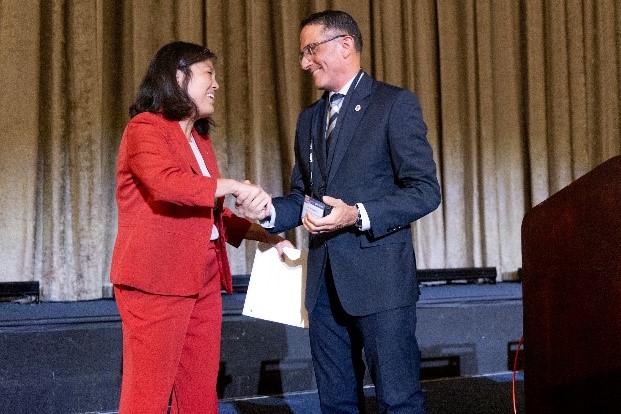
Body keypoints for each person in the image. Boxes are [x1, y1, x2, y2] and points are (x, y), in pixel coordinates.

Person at [259, 10, 441, 414]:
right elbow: (303, 196)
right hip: (323, 288)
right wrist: (269, 209)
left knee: (399, 401)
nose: (304, 63)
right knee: (337, 403)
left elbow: (426, 192)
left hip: (381, 286)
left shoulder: (394, 104)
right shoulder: (308, 119)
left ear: (345, 45)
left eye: (310, 50)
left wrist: (357, 214)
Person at [110, 41, 291, 414]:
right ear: (179, 76)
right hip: (156, 279)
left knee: (198, 391)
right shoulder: (145, 128)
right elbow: (168, 184)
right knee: (148, 394)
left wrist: (264, 235)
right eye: (209, 72)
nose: (217, 84)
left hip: (203, 275)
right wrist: (236, 185)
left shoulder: (199, 139)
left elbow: (207, 210)